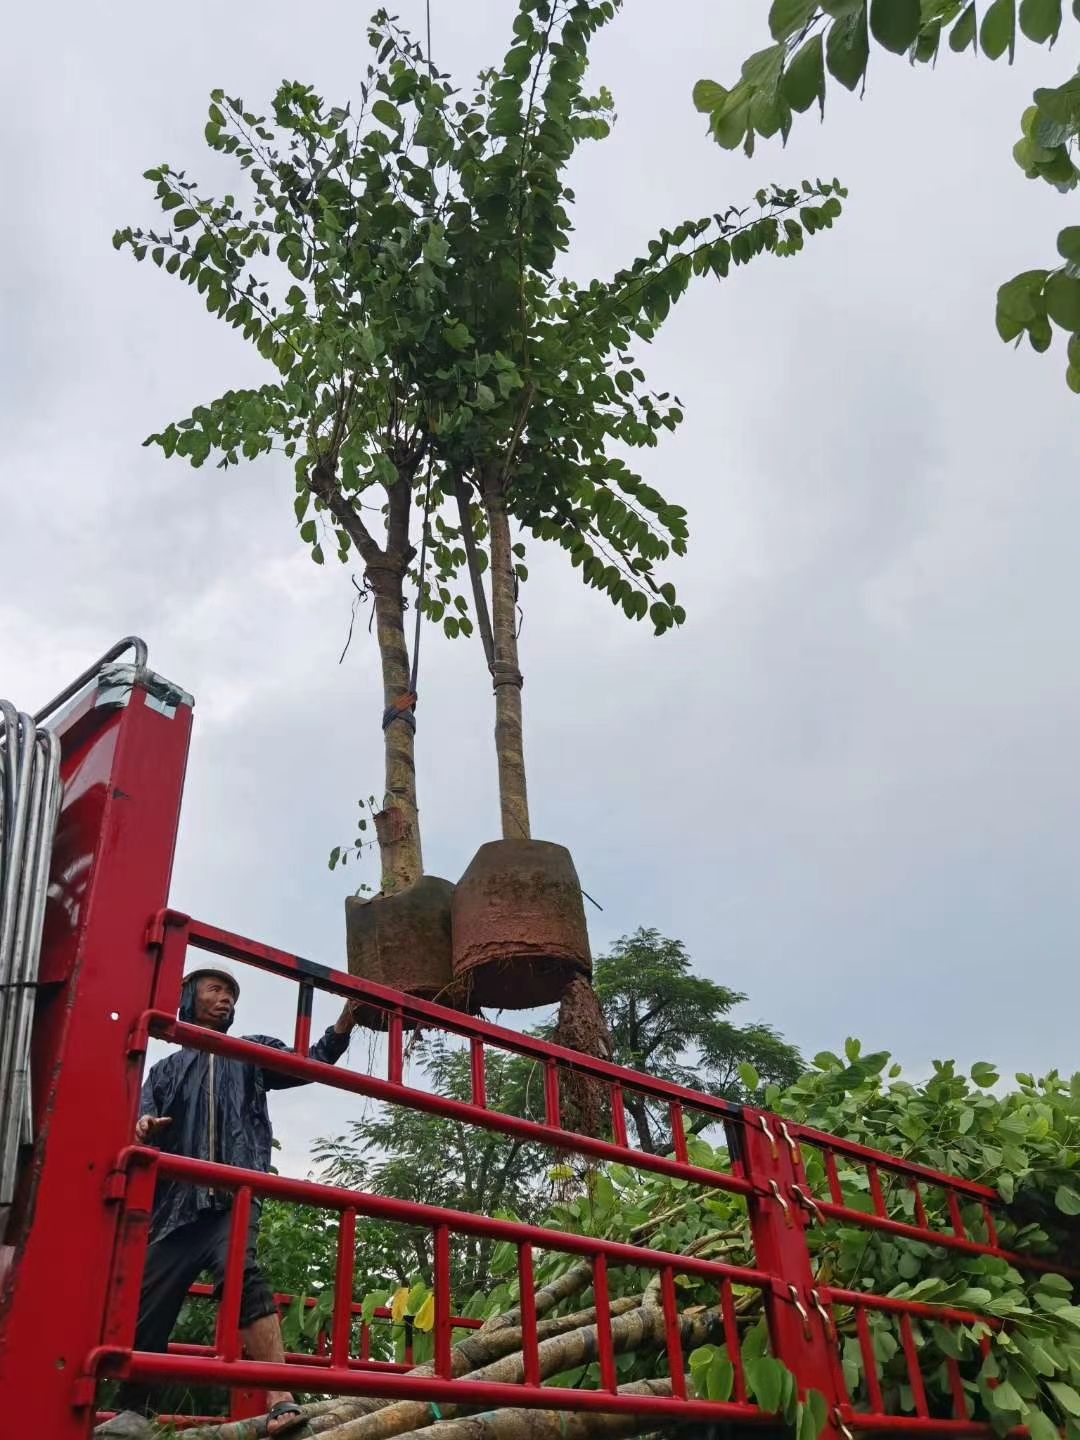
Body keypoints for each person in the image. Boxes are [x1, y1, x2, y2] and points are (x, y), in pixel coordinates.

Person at [96, 965, 358, 1438]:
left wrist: (343, 1026)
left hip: (234, 1194)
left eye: (232, 994)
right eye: (216, 990)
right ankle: (136, 1407)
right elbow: (140, 1122)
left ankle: (280, 1396)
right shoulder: (163, 1070)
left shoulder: (249, 1051)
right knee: (148, 1295)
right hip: (175, 1202)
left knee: (242, 1273)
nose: (226, 1000)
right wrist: (144, 1128)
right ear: (189, 996)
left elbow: (310, 1063)